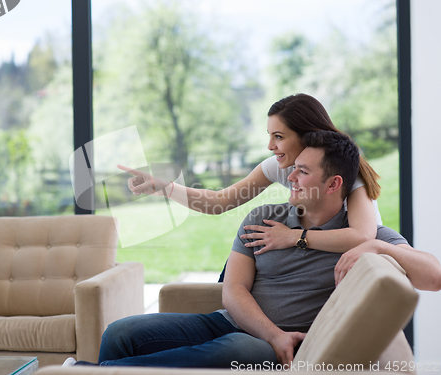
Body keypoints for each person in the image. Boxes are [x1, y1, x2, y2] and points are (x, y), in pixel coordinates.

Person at [68, 131, 440, 369]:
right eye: (291, 168)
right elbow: (233, 290)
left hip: (274, 344)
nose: (289, 177)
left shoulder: (364, 236)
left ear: (335, 184)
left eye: (302, 172)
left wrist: (374, 244)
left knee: (237, 351)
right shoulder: (262, 216)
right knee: (120, 333)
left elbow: (434, 276)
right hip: (233, 320)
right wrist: (269, 332)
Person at [118, 93, 380, 256]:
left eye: (279, 137)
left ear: (307, 135)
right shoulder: (276, 167)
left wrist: (292, 237)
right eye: (270, 136)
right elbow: (219, 202)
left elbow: (362, 236)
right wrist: (164, 187)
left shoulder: (344, 173)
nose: (270, 146)